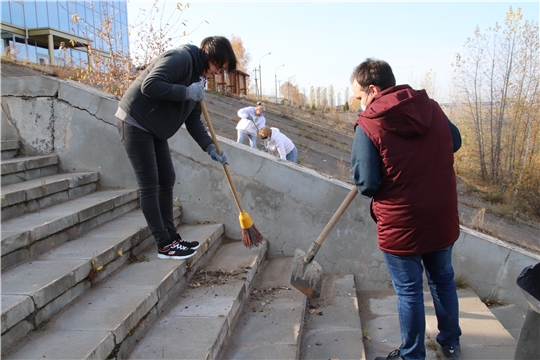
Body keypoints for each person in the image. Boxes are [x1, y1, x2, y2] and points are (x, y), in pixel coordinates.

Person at [349, 58, 462, 360]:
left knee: (410, 292)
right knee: (443, 279)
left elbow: (368, 183)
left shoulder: (369, 124)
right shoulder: (432, 108)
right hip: (440, 216)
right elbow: (455, 141)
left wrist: (360, 171)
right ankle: (450, 342)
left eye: (360, 97)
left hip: (402, 225)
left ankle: (412, 355)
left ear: (372, 90)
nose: (360, 105)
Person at [115, 36, 236, 260]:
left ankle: (172, 237)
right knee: (150, 184)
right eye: (219, 66)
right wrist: (186, 92)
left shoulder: (199, 80)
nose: (218, 73)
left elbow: (193, 121)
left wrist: (210, 148)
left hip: (155, 129)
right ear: (210, 55)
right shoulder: (181, 58)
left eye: (222, 70)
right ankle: (164, 244)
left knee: (167, 178)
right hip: (134, 121)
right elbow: (149, 85)